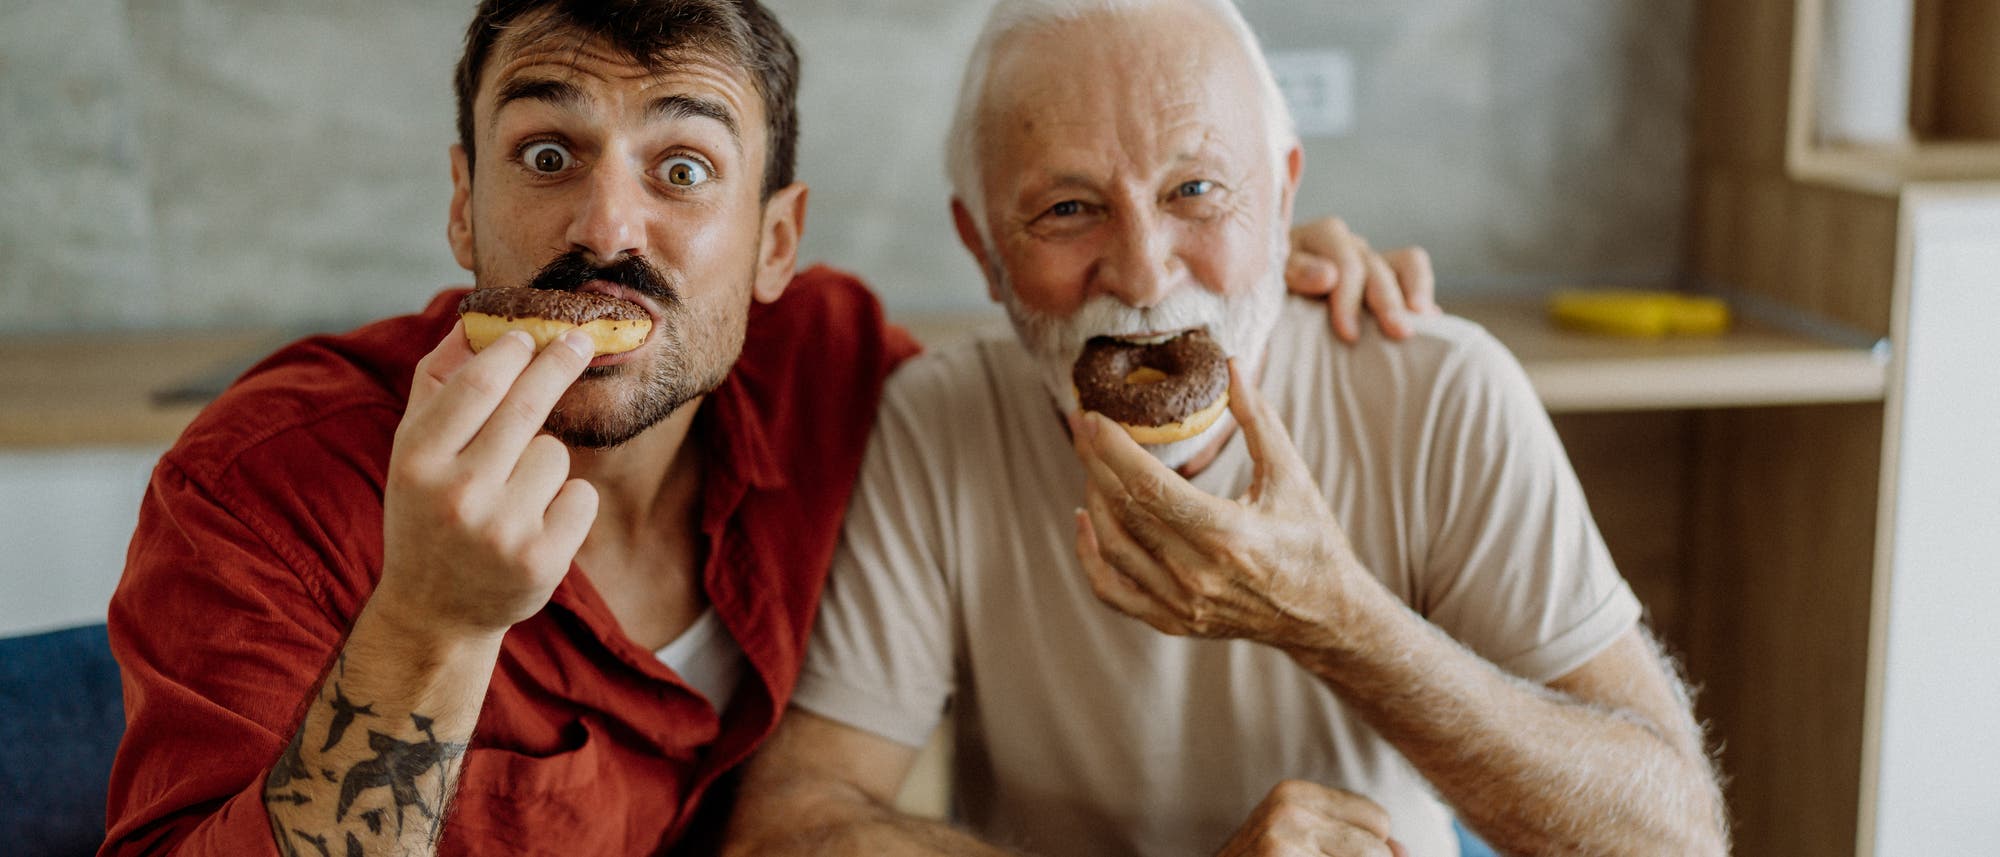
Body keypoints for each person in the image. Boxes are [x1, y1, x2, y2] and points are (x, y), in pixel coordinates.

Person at [95, 1, 1427, 855]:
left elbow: (1067, 335)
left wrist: (1227, 272)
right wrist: (430, 628)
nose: (606, 228)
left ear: (775, 241)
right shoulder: (258, 487)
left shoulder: (835, 373)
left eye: (684, 170)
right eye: (547, 155)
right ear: (464, 206)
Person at [722, 1, 1731, 856]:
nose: (1145, 271)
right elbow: (793, 828)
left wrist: (1337, 619)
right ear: (982, 250)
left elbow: (1673, 833)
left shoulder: (1437, 390)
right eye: (1068, 208)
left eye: (1194, 190)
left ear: (1284, 192)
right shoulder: (938, 423)